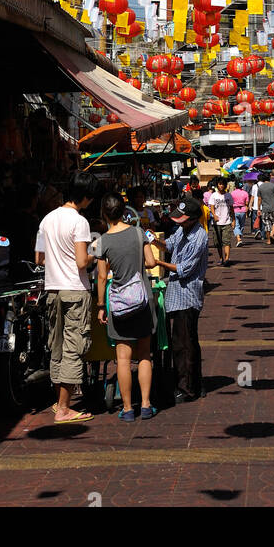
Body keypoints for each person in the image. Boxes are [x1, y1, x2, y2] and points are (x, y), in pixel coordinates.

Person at [96, 191, 163, 421]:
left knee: (122, 359)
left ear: (104, 213)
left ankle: (127, 409)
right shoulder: (137, 233)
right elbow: (152, 262)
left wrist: (100, 306)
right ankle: (145, 405)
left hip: (119, 304)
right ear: (124, 211)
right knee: (145, 354)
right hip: (141, 300)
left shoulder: (102, 241)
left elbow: (102, 277)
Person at [37, 170, 97, 424]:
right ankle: (64, 407)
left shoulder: (47, 219)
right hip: (74, 288)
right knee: (74, 346)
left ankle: (58, 401)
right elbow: (82, 261)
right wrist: (96, 251)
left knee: (57, 346)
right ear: (85, 196)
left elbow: (39, 258)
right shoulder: (79, 221)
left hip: (52, 288)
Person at [163, 194, 209, 403]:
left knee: (185, 343)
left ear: (192, 218)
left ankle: (188, 387)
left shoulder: (199, 236)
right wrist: (154, 240)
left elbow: (185, 269)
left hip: (188, 295)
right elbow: (170, 244)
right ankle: (192, 383)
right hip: (176, 294)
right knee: (182, 341)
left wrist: (158, 263)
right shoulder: (182, 230)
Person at [208, 177, 235, 265]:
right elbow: (211, 207)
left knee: (226, 241)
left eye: (223, 184)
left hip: (226, 221)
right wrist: (214, 215)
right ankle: (221, 258)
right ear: (217, 185)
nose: (221, 186)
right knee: (218, 242)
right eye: (220, 184)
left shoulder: (228, 195)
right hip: (217, 222)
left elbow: (231, 208)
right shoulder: (214, 195)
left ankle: (227, 259)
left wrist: (233, 220)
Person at [257, 170, 274, 245]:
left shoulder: (260, 187)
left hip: (265, 208)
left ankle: (268, 240)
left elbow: (259, 199)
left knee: (267, 224)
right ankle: (272, 234)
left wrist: (259, 209)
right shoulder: (273, 186)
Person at [230, 181, 249, 245]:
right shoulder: (245, 193)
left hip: (235, 210)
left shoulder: (232, 193)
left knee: (236, 225)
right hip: (243, 210)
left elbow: (230, 203)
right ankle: (239, 238)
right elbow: (246, 203)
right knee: (242, 225)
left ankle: (238, 238)